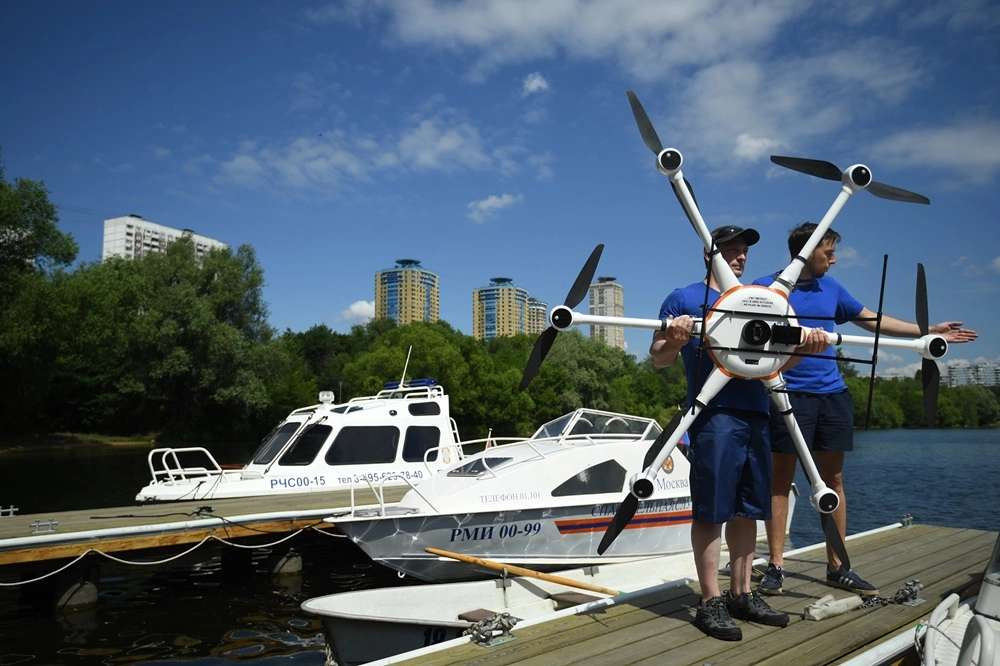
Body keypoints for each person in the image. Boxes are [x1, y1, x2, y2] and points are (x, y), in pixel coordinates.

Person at [752, 222, 978, 597]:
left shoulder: (832, 288)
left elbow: (871, 320)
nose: (835, 260)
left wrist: (926, 331)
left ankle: (838, 567)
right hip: (786, 393)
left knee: (834, 481)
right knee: (780, 480)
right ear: (807, 252)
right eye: (829, 253)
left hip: (832, 394)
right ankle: (776, 566)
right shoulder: (766, 289)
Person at [651, 224, 800, 641]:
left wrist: (809, 347)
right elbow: (659, 358)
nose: (740, 257)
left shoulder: (763, 301)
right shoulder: (683, 298)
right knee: (712, 509)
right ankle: (709, 601)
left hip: (756, 412)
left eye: (744, 252)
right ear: (708, 254)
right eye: (731, 250)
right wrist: (678, 339)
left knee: (748, 509)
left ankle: (742, 594)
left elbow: (778, 364)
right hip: (713, 416)